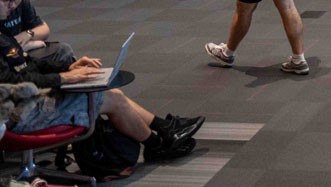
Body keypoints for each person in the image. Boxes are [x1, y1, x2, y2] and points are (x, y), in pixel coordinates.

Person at [0, 10, 204, 164]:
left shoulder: (3, 32)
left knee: (106, 91)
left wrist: (67, 68)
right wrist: (62, 78)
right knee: (110, 98)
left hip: (24, 105)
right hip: (17, 117)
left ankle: (164, 131)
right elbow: (11, 81)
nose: (12, 6)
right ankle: (157, 146)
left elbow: (27, 66)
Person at [0, 0, 75, 66]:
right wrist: (25, 46)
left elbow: (44, 29)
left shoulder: (22, 2)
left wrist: (28, 34)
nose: (12, 4)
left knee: (63, 50)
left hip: (17, 51)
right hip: (10, 55)